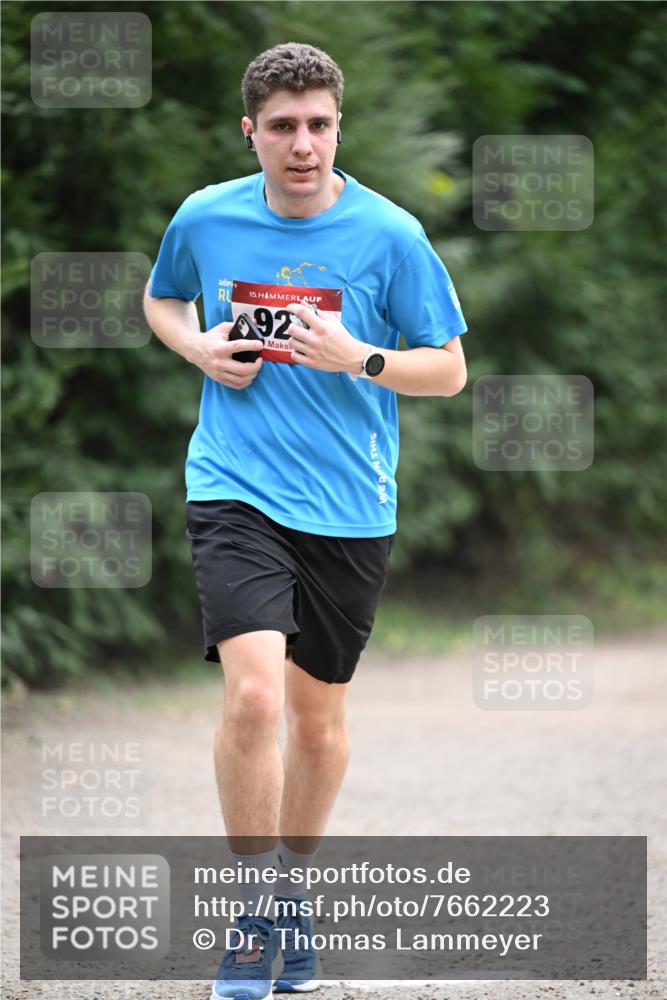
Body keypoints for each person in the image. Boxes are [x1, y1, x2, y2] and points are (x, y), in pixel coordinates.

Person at [143, 41, 468, 1000]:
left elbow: (447, 369)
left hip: (349, 504)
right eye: (281, 127)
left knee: (318, 726)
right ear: (251, 132)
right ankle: (252, 919)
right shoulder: (207, 217)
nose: (302, 144)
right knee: (252, 697)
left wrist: (358, 358)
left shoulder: (390, 235)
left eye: (318, 124)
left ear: (338, 127)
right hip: (234, 486)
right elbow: (164, 299)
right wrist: (197, 346)